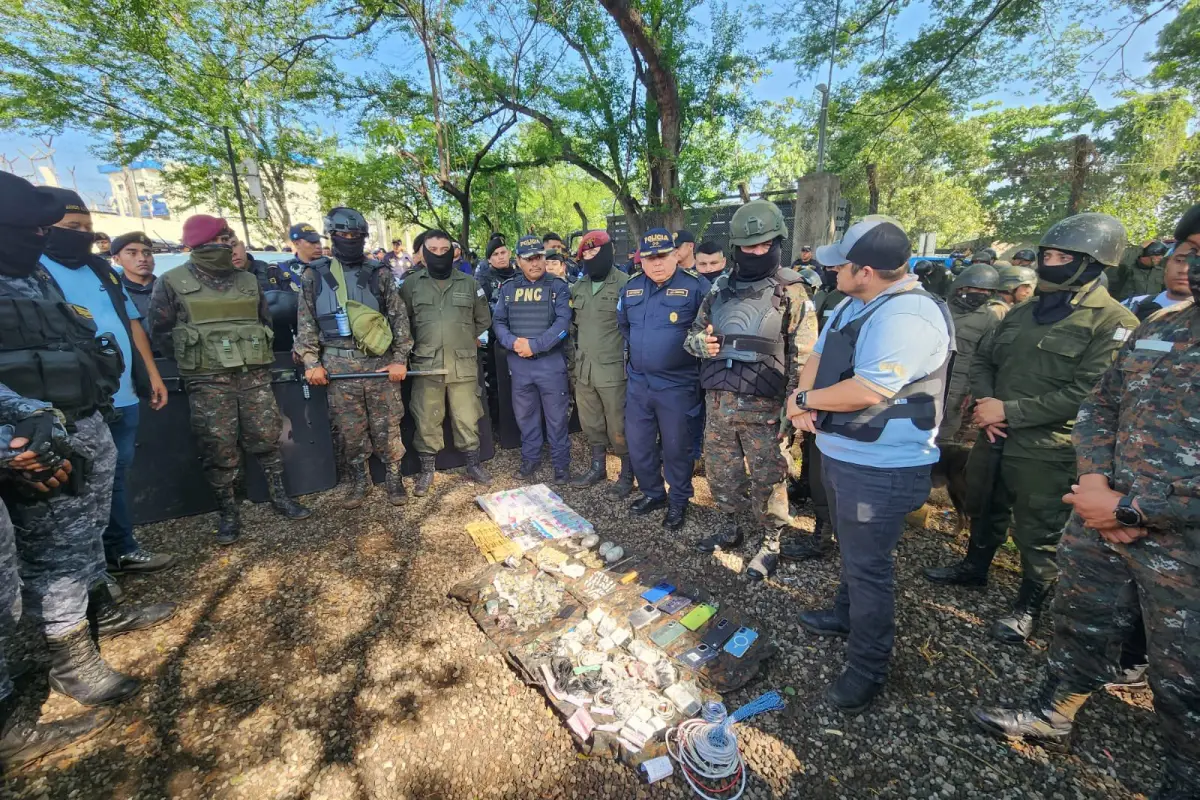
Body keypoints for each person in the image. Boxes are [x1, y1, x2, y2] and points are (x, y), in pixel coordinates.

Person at [970, 206, 1200, 800]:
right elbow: (1101, 404)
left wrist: (1136, 508)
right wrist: (1098, 484)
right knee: (1082, 620)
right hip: (1101, 511)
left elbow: (1075, 392)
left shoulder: (1118, 319)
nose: (1189, 261)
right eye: (1187, 247)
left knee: (1183, 675)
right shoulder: (1164, 329)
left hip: (1178, 538)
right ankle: (1053, 712)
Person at [924, 213, 1139, 644]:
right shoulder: (1022, 314)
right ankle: (973, 568)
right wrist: (987, 405)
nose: (1050, 263)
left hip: (1048, 447)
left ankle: (1029, 604)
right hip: (993, 435)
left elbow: (1090, 394)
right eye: (1047, 255)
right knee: (983, 503)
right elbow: (984, 359)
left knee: (1037, 530)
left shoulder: (1113, 324)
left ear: (1095, 263)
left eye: (1062, 257)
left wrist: (1010, 411)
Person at [0, 173, 167, 722]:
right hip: (31, 442)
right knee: (55, 556)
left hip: (84, 418)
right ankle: (72, 660)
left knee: (86, 533)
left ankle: (99, 615)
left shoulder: (38, 277)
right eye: (30, 226)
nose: (41, 234)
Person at [786, 216, 953, 713]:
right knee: (853, 553)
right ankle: (845, 616)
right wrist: (802, 400)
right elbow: (818, 355)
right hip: (844, 451)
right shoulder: (852, 303)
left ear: (865, 271)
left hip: (881, 467)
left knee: (869, 568)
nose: (832, 269)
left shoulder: (907, 317)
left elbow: (869, 389)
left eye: (842, 263)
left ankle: (868, 667)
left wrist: (804, 398)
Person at [149, 214, 312, 544]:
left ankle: (280, 496)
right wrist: (199, 360)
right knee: (218, 446)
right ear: (196, 244)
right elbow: (161, 332)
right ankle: (229, 512)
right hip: (208, 381)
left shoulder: (248, 281)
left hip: (253, 376)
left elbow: (264, 323)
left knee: (267, 437)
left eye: (228, 238)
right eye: (218, 239)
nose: (225, 244)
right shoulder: (171, 281)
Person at [37, 189, 175, 577]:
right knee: (78, 486)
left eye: (87, 227)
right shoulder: (35, 272)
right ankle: (90, 570)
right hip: (72, 401)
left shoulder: (101, 271)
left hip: (122, 394)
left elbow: (132, 323)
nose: (81, 234)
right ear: (46, 228)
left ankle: (121, 549)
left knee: (115, 474)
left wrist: (150, 373)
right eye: (71, 227)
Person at [685, 199, 818, 579]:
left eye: (764, 245)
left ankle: (771, 541)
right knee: (721, 475)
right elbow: (693, 335)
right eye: (749, 246)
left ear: (778, 242)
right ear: (736, 247)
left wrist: (792, 409)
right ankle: (730, 527)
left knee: (769, 480)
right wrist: (699, 345)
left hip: (766, 410)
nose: (757, 252)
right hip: (719, 404)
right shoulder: (719, 289)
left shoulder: (792, 291)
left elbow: (805, 358)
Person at [294, 207, 413, 508]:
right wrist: (311, 362)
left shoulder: (379, 273)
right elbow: (306, 322)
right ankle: (360, 480)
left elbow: (400, 320)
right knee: (350, 429)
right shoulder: (314, 275)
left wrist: (400, 359)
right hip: (337, 366)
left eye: (356, 236)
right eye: (343, 235)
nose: (350, 240)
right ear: (332, 236)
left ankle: (394, 477)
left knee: (388, 425)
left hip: (378, 364)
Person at [618, 228, 710, 531]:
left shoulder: (697, 287)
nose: (656, 263)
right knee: (639, 445)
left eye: (663, 256)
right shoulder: (630, 288)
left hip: (677, 384)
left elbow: (708, 333)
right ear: (641, 260)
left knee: (676, 446)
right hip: (639, 383)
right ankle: (653, 494)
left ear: (676, 255)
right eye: (649, 258)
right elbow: (625, 328)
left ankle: (679, 500)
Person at [398, 229, 493, 495]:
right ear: (424, 254)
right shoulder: (411, 285)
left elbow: (483, 319)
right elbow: (402, 323)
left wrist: (464, 338)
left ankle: (473, 464)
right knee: (427, 418)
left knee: (467, 416)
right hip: (426, 365)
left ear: (452, 252)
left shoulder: (469, 283)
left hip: (462, 364)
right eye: (433, 250)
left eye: (444, 249)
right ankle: (427, 470)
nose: (440, 254)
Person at [492, 235, 572, 484]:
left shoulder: (558, 287)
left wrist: (535, 346)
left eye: (538, 257)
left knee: (557, 418)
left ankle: (561, 465)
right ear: (518, 261)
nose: (535, 263)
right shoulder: (508, 290)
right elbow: (498, 322)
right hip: (520, 364)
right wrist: (513, 343)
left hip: (549, 364)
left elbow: (563, 324)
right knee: (525, 416)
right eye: (528, 259)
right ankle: (531, 459)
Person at [569, 230, 633, 493]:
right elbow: (573, 326)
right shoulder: (578, 286)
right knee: (591, 422)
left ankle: (628, 474)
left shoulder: (626, 284)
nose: (591, 257)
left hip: (613, 370)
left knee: (619, 426)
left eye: (596, 252)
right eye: (586, 254)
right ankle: (598, 467)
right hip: (584, 371)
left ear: (608, 252)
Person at [937, 263, 1009, 445]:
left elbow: (985, 359)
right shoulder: (939, 307)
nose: (981, 295)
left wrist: (975, 394)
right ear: (962, 287)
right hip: (926, 377)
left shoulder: (989, 319)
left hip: (958, 387)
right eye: (977, 289)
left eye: (987, 292)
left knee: (945, 433)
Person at [1123, 243, 1192, 321]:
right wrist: (1141, 248)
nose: (1184, 270)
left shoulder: (1158, 271)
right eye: (1179, 261)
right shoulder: (1136, 303)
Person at [111, 232, 157, 331]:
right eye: (132, 253)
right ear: (117, 259)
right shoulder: (113, 293)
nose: (142, 259)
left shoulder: (169, 287)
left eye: (147, 253)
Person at [476, 234, 515, 309]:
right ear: (489, 260)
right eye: (496, 254)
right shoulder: (484, 279)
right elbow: (480, 308)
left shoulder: (520, 274)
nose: (501, 257)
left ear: (509, 254)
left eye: (503, 253)